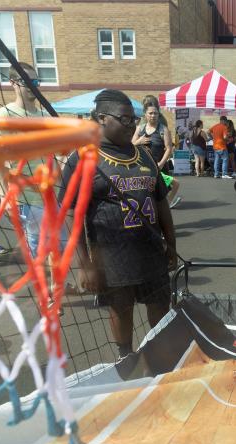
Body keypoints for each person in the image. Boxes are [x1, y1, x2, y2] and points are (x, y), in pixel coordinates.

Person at [59, 89, 177, 362]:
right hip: (112, 257)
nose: (132, 125)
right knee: (121, 309)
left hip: (151, 251)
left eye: (133, 119)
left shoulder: (145, 156)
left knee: (160, 305)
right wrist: (84, 264)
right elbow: (70, 214)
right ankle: (126, 356)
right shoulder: (82, 159)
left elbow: (161, 203)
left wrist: (171, 244)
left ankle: (159, 354)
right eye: (124, 120)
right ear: (101, 118)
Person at [0, 62, 48, 257]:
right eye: (28, 82)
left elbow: (51, 156)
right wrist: (3, 197)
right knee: (37, 246)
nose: (34, 86)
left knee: (55, 245)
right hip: (25, 196)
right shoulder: (5, 114)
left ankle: (55, 284)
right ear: (13, 83)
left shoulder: (43, 115)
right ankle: (43, 285)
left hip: (49, 193)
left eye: (36, 81)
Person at [133, 100, 181, 208]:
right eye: (150, 113)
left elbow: (168, 148)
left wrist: (161, 164)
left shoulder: (163, 130)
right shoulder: (140, 129)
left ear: (159, 114)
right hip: (141, 169)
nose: (153, 115)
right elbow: (130, 146)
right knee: (144, 194)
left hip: (157, 169)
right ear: (145, 114)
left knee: (174, 184)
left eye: (155, 113)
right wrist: (138, 142)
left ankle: (167, 205)